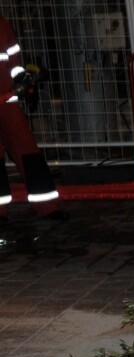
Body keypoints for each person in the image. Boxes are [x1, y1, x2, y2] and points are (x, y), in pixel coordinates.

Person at [0, 14, 66, 222]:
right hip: (5, 97)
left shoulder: (1, 24)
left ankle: (47, 206)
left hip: (7, 99)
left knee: (28, 152)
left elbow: (13, 57)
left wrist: (21, 77)